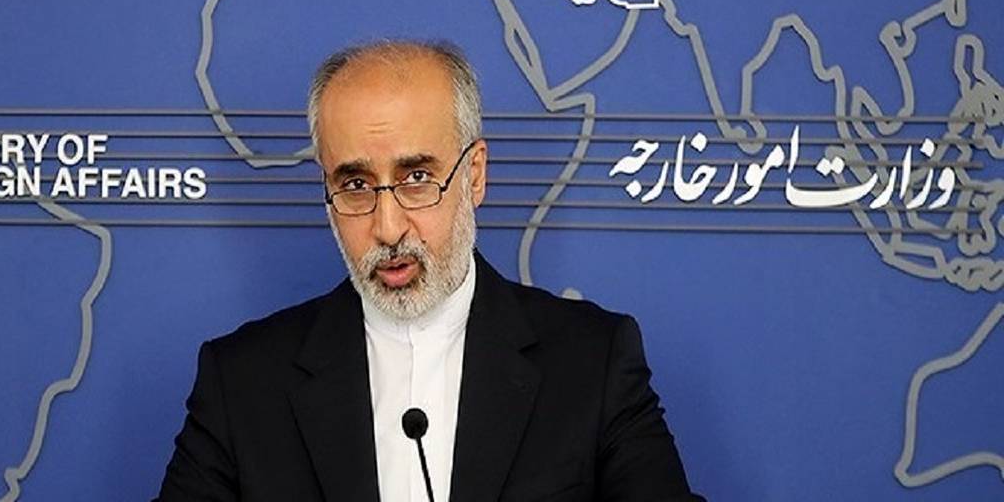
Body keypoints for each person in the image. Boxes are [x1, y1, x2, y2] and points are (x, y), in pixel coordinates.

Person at [156, 40, 703, 501]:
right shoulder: (241, 383)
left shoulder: (594, 363)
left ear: (475, 175)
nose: (388, 226)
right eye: (355, 185)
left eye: (417, 178)